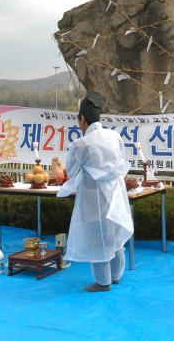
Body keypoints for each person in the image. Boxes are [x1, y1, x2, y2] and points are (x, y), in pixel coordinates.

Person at [57, 92, 133, 292]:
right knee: (114, 236)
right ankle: (116, 276)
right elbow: (120, 162)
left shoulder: (81, 144)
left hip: (94, 196)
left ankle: (102, 282)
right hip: (116, 194)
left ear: (82, 119)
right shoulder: (114, 135)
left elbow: (72, 172)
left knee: (97, 238)